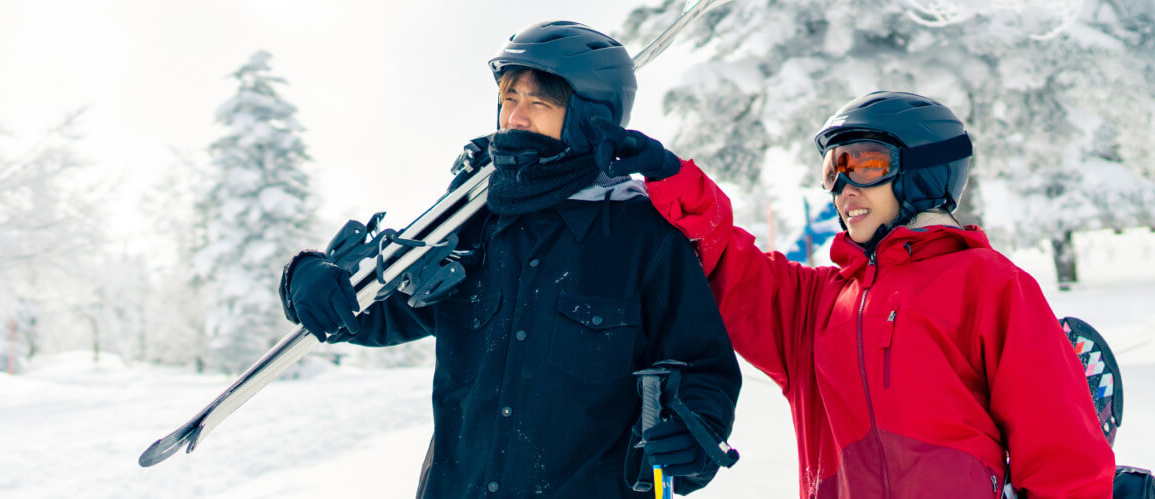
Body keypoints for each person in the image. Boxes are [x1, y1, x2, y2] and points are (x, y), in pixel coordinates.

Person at [279, 21, 741, 498]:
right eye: (509, 98)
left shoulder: (644, 234)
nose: (515, 117)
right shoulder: (470, 221)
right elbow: (375, 311)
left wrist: (694, 433)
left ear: (591, 117)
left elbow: (704, 365)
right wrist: (311, 278)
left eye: (539, 102)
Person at [600, 90, 1116, 497]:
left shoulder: (989, 284)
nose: (844, 188)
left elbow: (1062, 455)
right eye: (833, 170)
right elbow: (725, 261)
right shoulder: (816, 305)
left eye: (866, 164)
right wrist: (671, 177)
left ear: (924, 171)